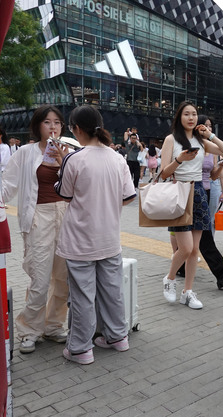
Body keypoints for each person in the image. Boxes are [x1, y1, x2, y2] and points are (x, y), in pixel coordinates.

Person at [55, 105, 136, 365]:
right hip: (109, 238)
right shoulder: (117, 158)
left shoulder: (75, 159)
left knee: (82, 296)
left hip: (80, 240)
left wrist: (61, 164)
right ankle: (117, 337)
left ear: (77, 129)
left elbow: (65, 194)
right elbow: (127, 198)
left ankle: (80, 348)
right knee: (112, 291)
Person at [1, 105, 69, 354]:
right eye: (47, 122)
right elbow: (7, 184)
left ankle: (53, 326)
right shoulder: (26, 153)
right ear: (38, 125)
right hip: (38, 216)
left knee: (63, 280)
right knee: (40, 279)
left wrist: (65, 162)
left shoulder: (69, 152)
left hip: (66, 216)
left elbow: (78, 185)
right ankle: (29, 330)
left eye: (57, 122)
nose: (53, 127)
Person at [160, 101, 223, 309]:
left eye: (194, 114)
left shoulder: (201, 141)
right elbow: (164, 172)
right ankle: (170, 279)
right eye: (186, 114)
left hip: (199, 192)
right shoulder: (171, 140)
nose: (191, 118)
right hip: (179, 192)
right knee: (186, 247)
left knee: (194, 250)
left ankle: (188, 292)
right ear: (179, 117)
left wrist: (210, 135)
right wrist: (179, 160)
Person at [196, 114, 223, 290]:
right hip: (189, 193)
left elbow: (213, 175)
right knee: (202, 234)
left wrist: (221, 167)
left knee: (200, 234)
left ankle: (180, 268)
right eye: (205, 126)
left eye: (210, 126)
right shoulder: (189, 143)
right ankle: (222, 272)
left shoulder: (209, 146)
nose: (208, 129)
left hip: (207, 192)